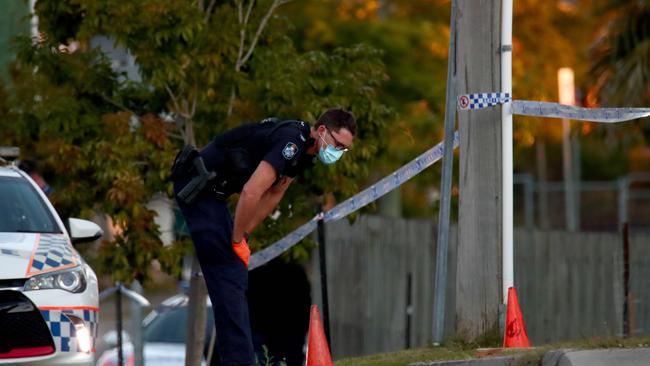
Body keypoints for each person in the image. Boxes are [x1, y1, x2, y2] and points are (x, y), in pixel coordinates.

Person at [172, 108, 356, 365]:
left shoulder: (305, 152)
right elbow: (250, 193)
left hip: (213, 194)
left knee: (234, 273)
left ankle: (237, 359)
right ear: (323, 131)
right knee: (228, 273)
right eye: (337, 144)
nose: (338, 152)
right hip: (196, 184)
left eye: (344, 149)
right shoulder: (292, 142)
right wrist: (236, 240)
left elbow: (274, 194)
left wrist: (244, 235)